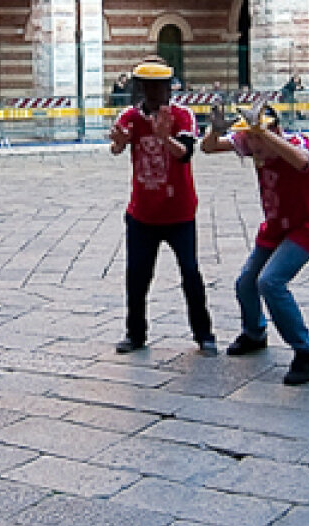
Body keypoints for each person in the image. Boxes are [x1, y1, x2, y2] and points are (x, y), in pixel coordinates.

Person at [202, 100, 309, 384]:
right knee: (246, 282)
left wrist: (263, 132)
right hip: (275, 228)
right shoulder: (250, 142)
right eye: (248, 138)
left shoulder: (296, 143)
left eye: (257, 138)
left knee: (270, 282)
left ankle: (307, 352)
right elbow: (208, 148)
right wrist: (215, 130)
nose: (252, 145)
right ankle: (254, 332)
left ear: (273, 131)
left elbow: (301, 161)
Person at [108, 56, 215, 355]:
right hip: (142, 213)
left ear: (169, 88)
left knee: (190, 273)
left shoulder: (182, 116)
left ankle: (204, 334)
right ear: (142, 88)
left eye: (161, 87)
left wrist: (164, 137)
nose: (156, 94)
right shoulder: (130, 116)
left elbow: (185, 153)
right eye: (150, 87)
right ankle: (135, 333)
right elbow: (117, 146)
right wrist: (118, 141)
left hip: (179, 213)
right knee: (137, 276)